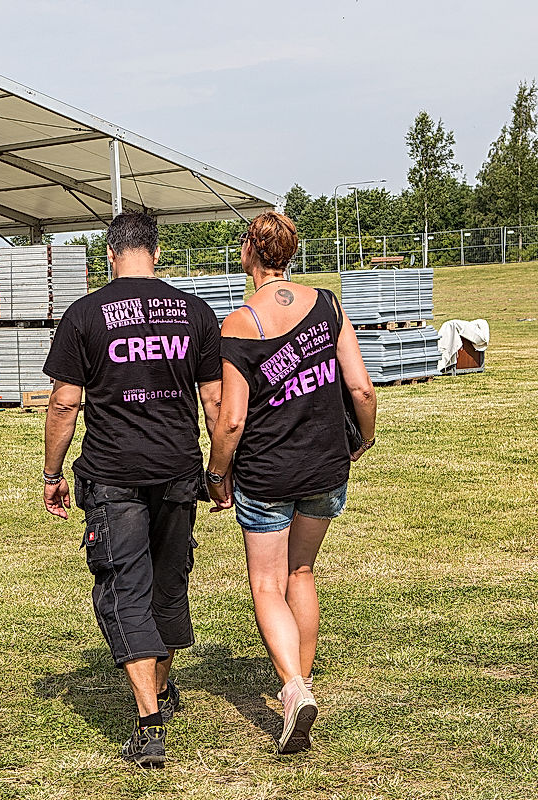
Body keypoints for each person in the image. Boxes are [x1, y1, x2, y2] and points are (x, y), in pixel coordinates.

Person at [42, 211, 222, 768]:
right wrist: (219, 473)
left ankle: (148, 721)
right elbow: (215, 404)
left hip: (113, 473)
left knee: (124, 589)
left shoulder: (84, 314)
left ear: (110, 255)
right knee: (167, 583)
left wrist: (52, 473)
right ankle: (161, 689)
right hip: (178, 470)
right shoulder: (193, 312)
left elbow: (65, 403)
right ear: (157, 253)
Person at [205, 212, 377, 754]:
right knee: (302, 571)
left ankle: (294, 688)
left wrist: (217, 472)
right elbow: (362, 388)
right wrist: (363, 440)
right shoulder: (327, 304)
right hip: (326, 466)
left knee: (265, 584)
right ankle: (297, 686)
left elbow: (231, 419)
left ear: (250, 251)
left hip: (266, 473)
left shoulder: (237, 324)